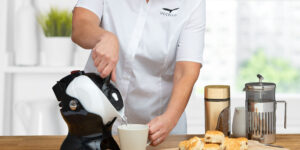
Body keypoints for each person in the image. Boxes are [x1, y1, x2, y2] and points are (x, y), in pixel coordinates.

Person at [72, 0, 205, 146]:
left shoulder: (193, 3)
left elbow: (186, 70)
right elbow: (80, 26)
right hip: (95, 120)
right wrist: (103, 37)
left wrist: (170, 118)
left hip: (156, 129)